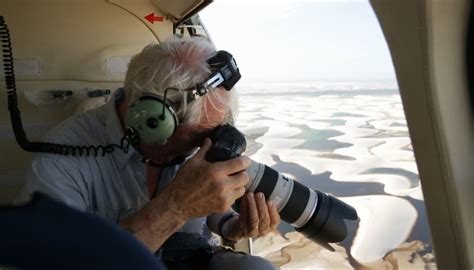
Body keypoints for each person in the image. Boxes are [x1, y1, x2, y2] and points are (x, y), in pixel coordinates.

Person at [16, 37, 280, 270]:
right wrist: (176, 206)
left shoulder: (197, 145)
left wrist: (230, 226)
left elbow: (208, 211)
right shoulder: (64, 157)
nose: (206, 146)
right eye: (201, 135)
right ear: (154, 120)